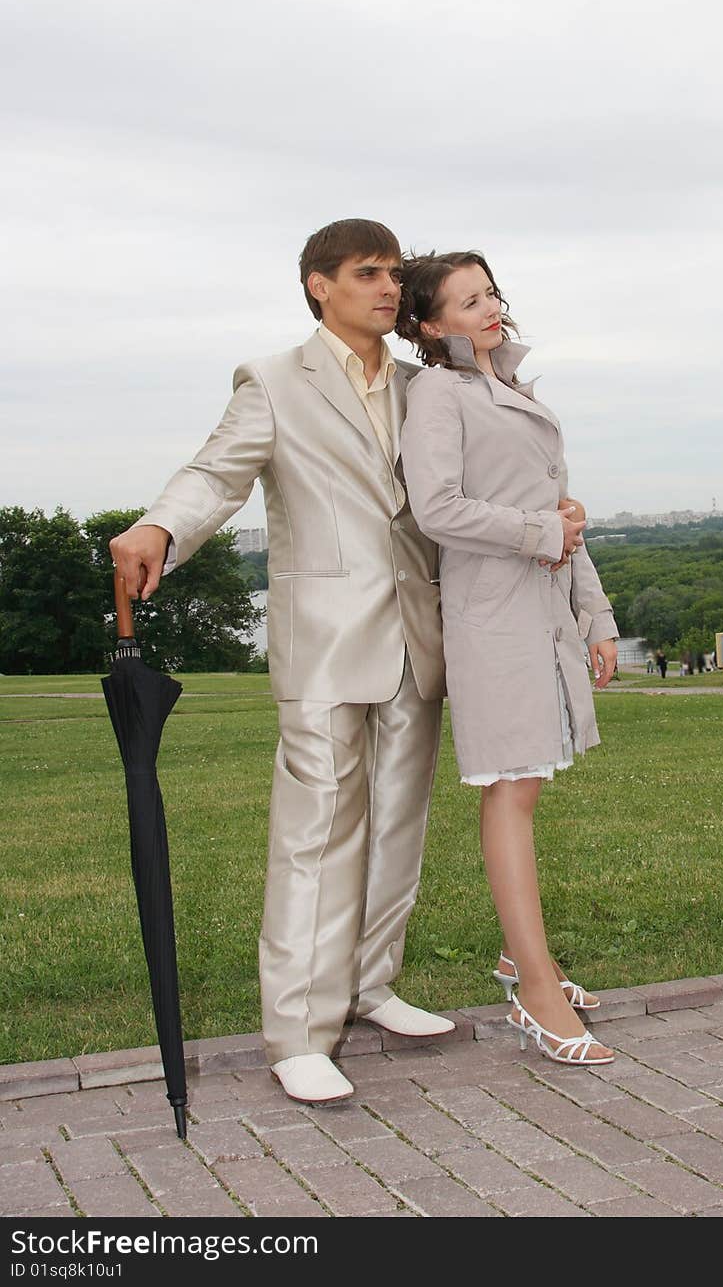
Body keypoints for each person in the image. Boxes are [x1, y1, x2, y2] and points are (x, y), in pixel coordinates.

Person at [108, 219, 460, 1106]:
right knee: (316, 833)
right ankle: (299, 1029)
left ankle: (370, 987)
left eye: (393, 274)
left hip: (418, 636)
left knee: (397, 825)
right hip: (325, 640)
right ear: (318, 284)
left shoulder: (425, 386)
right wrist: (160, 526)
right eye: (366, 273)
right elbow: (216, 474)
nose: (387, 287)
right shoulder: (271, 380)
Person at [398, 249, 618, 1069]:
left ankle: (524, 958)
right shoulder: (438, 394)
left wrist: (597, 618)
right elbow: (439, 507)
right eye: (465, 300)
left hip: (543, 613)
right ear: (428, 324)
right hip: (491, 615)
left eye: (489, 291)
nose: (488, 307)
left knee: (527, 783)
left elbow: (563, 517)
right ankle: (534, 986)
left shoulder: (516, 390)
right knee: (511, 788)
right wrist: (541, 533)